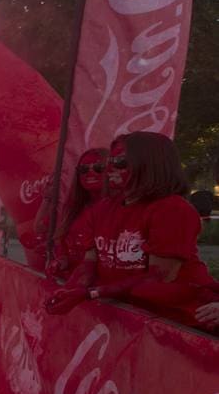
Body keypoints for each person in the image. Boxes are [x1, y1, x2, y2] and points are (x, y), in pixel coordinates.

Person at [46, 132, 217, 328]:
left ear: (149, 163)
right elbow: (90, 263)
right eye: (109, 161)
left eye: (119, 161)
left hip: (185, 318)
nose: (109, 168)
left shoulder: (172, 209)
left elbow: (159, 277)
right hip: (135, 318)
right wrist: (69, 290)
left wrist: (91, 293)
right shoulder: (102, 208)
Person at [46, 147, 111, 278]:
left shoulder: (120, 208)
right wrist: (61, 260)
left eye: (98, 167)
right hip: (71, 283)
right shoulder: (73, 207)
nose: (90, 173)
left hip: (100, 289)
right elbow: (61, 243)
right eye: (84, 169)